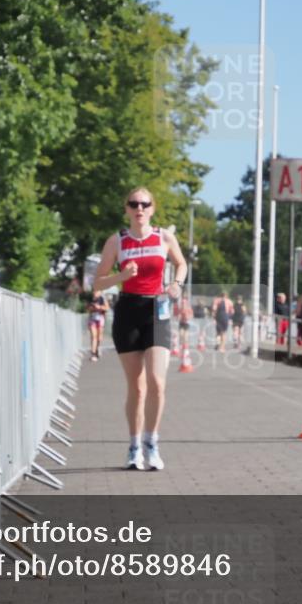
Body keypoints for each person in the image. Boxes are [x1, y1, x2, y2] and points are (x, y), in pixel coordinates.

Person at [92, 187, 186, 471]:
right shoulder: (116, 241)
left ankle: (151, 443)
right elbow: (97, 282)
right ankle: (134, 447)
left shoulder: (164, 237)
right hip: (128, 311)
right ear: (127, 209)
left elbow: (181, 264)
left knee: (157, 382)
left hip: (157, 311)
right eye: (134, 204)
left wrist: (177, 285)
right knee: (137, 386)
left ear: (152, 208)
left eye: (144, 204)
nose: (139, 208)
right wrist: (122, 276)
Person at [87, 290, 109, 361]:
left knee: (99, 337)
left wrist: (99, 307)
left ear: (100, 292)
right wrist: (92, 308)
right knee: (94, 336)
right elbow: (87, 308)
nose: (95, 293)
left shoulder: (102, 299)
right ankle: (93, 354)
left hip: (100, 319)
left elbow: (107, 308)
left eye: (97, 292)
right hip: (92, 319)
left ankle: (97, 349)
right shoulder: (90, 299)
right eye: (94, 292)